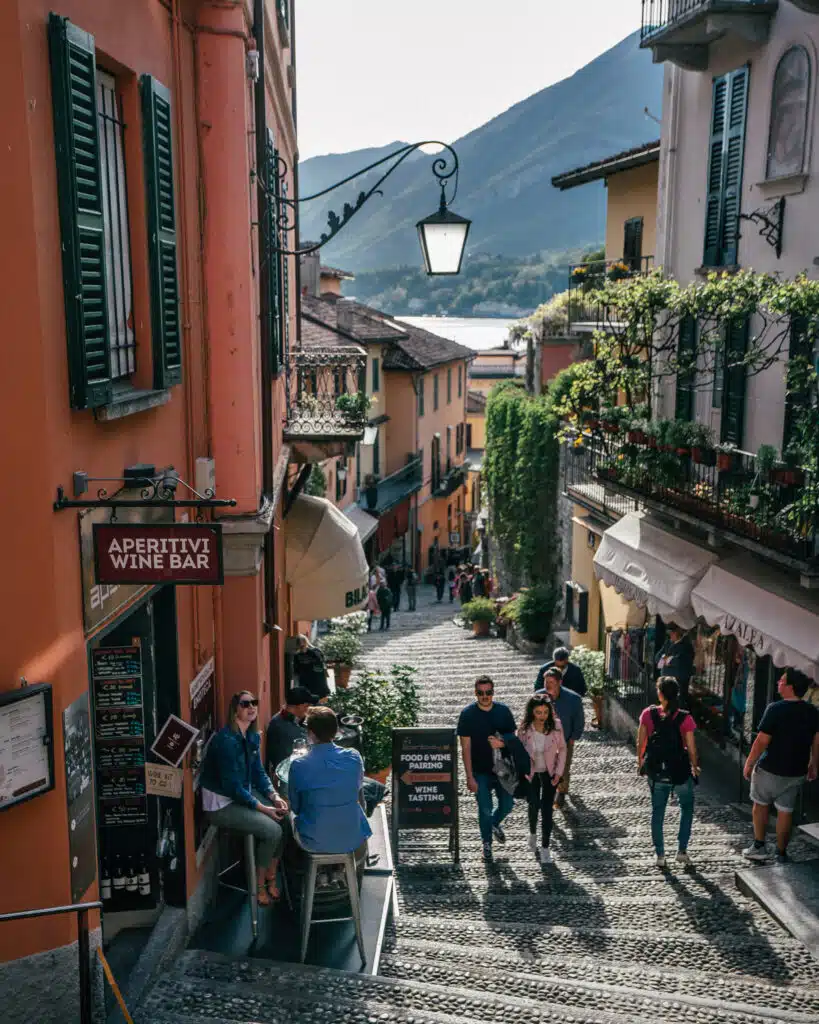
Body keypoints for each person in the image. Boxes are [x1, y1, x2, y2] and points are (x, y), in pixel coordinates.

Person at [200, 691, 288, 903]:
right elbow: (232, 788)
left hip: (244, 793)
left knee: (286, 817)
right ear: (235, 709)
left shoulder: (252, 735)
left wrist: (273, 795)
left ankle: (270, 874)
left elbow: (258, 772)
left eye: (254, 703)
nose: (251, 707)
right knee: (272, 830)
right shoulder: (226, 742)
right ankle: (258, 886)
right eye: (245, 703)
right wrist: (263, 808)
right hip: (221, 804)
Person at [742, 669, 819, 864]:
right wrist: (813, 764)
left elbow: (761, 741)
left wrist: (749, 763)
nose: (778, 682)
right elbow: (816, 742)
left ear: (790, 687)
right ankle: (781, 853)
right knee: (786, 810)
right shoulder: (812, 712)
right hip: (796, 770)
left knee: (760, 805)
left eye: (782, 680)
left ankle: (759, 846)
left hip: (770, 767)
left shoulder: (775, 709)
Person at [288, 706, 372, 853]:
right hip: (352, 836)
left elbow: (296, 807)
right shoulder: (354, 757)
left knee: (287, 820)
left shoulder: (298, 765)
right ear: (336, 731)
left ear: (311, 733)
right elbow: (360, 797)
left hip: (314, 840)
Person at [637, 677, 699, 869]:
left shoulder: (648, 714)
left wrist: (640, 762)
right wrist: (695, 767)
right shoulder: (685, 718)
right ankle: (681, 850)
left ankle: (660, 855)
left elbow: (641, 743)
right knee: (686, 808)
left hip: (657, 772)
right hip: (680, 771)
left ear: (660, 694)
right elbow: (691, 747)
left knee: (658, 812)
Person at [457, 675, 517, 861]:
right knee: (484, 808)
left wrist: (502, 742)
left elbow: (513, 740)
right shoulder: (467, 714)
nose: (485, 696)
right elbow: (465, 747)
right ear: (476, 693)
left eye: (488, 692)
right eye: (481, 693)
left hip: (503, 768)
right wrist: (469, 776)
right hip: (479, 770)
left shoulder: (504, 712)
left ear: (493, 692)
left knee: (507, 805)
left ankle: (494, 823)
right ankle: (487, 845)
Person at [517, 694, 566, 864]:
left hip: (549, 773)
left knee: (547, 810)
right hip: (531, 774)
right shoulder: (524, 729)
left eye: (545, 712)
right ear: (532, 712)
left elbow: (563, 749)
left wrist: (559, 773)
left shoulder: (557, 726)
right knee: (533, 805)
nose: (542, 716)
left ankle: (545, 847)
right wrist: (522, 772)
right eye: (538, 712)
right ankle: (532, 833)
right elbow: (519, 753)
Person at [536, 667, 584, 809]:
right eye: (546, 681)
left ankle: (561, 791)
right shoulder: (538, 697)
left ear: (559, 682)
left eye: (551, 682)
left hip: (565, 739)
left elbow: (579, 720)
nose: (547, 685)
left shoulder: (573, 699)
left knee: (563, 767)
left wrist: (573, 737)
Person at [266, 686, 315, 777]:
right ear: (299, 706)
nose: (308, 709)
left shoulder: (284, 719)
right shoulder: (284, 728)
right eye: (306, 706)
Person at [656, 623, 695, 707]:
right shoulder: (668, 643)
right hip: (665, 682)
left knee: (677, 706)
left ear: (677, 632)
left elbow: (680, 661)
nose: (670, 635)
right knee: (665, 706)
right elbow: (657, 658)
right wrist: (668, 659)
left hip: (678, 684)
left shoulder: (686, 645)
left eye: (672, 632)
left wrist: (666, 659)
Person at [293, 634, 330, 701]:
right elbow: (296, 670)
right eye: (299, 644)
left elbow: (321, 664)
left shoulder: (315, 651)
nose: (301, 646)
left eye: (302, 644)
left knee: (319, 700)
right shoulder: (297, 655)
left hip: (317, 680)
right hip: (305, 681)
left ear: (305, 642)